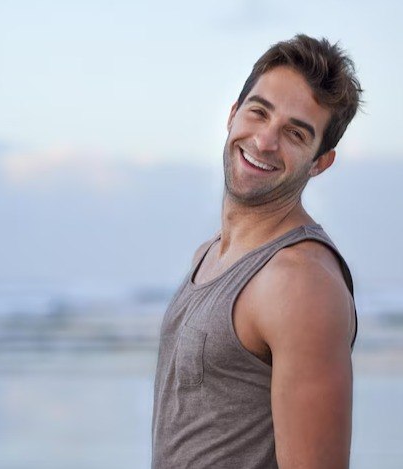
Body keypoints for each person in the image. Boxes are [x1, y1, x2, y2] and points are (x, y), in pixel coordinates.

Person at [151, 34, 362, 469]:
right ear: (233, 114)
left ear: (320, 162)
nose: (265, 141)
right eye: (259, 112)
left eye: (295, 133)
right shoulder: (209, 254)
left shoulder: (300, 283)